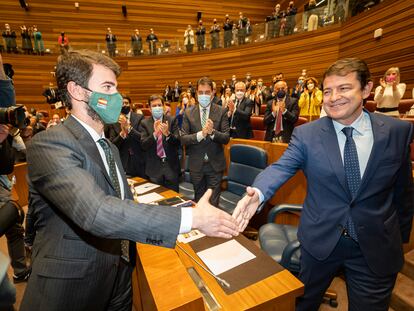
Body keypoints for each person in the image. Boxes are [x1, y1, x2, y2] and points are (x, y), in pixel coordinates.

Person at [20, 50, 239, 311]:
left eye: (116, 87)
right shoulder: (51, 143)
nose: (117, 97)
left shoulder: (109, 148)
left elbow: (121, 203)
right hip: (72, 289)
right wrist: (192, 219)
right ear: (77, 91)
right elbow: (96, 211)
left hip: (120, 273)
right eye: (107, 87)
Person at [233, 58, 414, 311]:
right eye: (327, 91)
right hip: (320, 243)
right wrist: (259, 193)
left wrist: (399, 237)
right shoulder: (307, 134)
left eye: (343, 88)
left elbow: (403, 191)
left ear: (366, 89)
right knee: (301, 305)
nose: (333, 97)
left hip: (375, 245)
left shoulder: (397, 131)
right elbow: (281, 167)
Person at [181, 77, 230, 206]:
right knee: (199, 201)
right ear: (196, 93)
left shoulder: (221, 111)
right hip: (196, 165)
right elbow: (184, 139)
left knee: (213, 204)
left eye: (207, 92)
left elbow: (226, 138)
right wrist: (200, 134)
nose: (204, 95)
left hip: (215, 165)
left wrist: (212, 132)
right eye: (201, 92)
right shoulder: (188, 113)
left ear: (213, 92)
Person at [140, 95, 180, 192]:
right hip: (154, 169)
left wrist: (167, 134)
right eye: (154, 106)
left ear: (163, 107)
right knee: (157, 201)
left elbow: (178, 143)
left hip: (171, 168)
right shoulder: (144, 123)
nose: (157, 107)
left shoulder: (172, 120)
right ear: (149, 108)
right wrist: (154, 134)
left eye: (159, 105)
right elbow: (143, 145)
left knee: (174, 200)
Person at [105, 95, 146, 178]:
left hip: (138, 160)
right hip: (122, 161)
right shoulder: (113, 121)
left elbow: (142, 138)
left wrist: (129, 128)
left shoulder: (139, 117)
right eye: (122, 103)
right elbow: (113, 144)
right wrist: (122, 134)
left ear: (130, 104)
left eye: (126, 103)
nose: (124, 105)